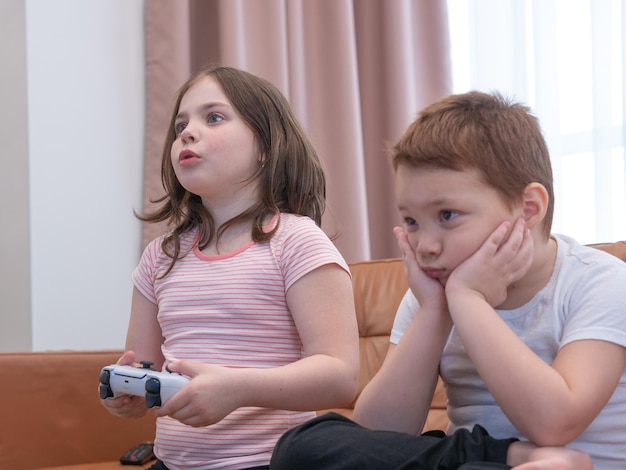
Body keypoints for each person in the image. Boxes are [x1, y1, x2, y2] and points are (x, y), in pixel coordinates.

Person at [272, 91, 626, 469]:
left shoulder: (600, 282)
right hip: (473, 461)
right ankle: (506, 457)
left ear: (528, 208)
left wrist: (469, 300)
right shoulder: (431, 297)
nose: (425, 246)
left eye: (447, 215)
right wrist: (436, 313)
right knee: (305, 444)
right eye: (411, 221)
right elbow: (379, 431)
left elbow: (556, 424)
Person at [100, 66, 360, 470]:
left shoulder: (297, 241)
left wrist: (237, 389)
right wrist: (128, 395)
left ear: (267, 146)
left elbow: (340, 375)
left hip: (271, 462)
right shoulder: (159, 257)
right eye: (180, 124)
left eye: (214, 117)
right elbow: (143, 367)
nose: (186, 132)